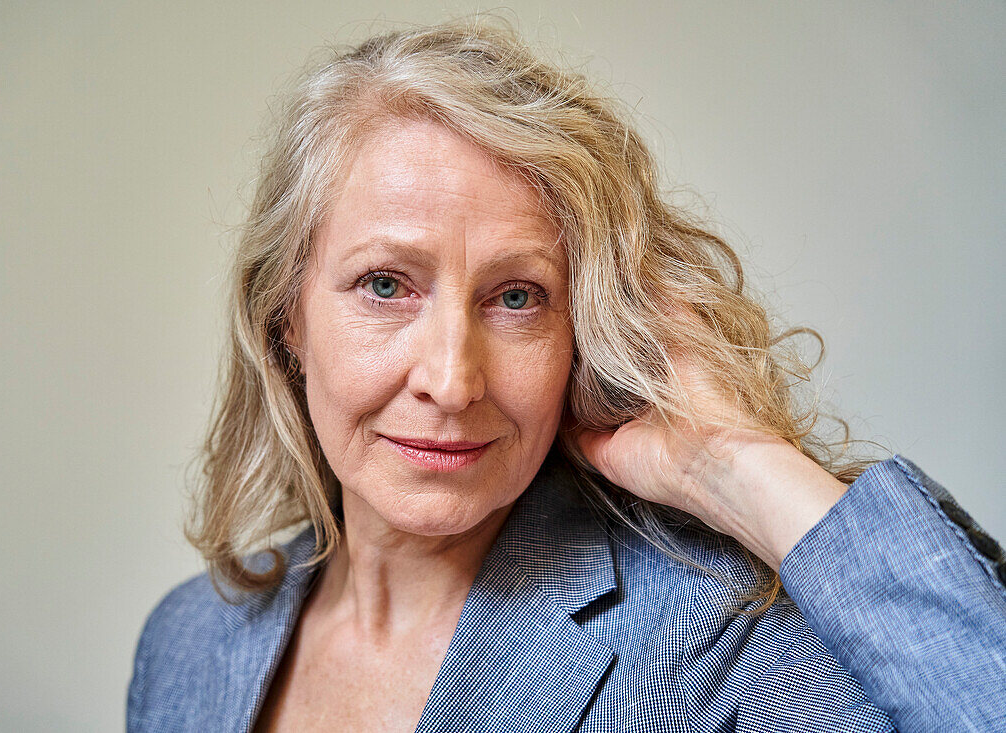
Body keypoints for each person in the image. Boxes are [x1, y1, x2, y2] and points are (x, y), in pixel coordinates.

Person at [126, 19, 1006, 732]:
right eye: (386, 285)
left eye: (517, 297)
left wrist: (736, 464)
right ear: (288, 319)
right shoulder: (190, 642)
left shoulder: (708, 634)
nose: (452, 378)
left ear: (582, 331)